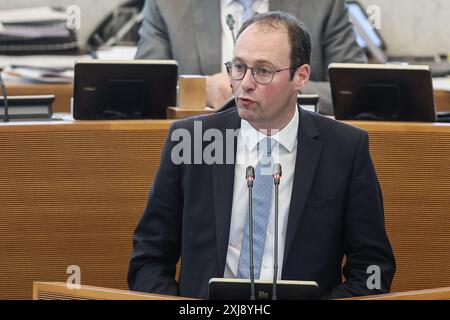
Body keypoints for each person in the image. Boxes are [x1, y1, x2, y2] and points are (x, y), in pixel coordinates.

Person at [128, 11, 395, 299]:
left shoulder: (345, 149)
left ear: (301, 76)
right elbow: (149, 260)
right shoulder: (194, 142)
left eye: (263, 71)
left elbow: (372, 268)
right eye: (238, 67)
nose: (245, 83)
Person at [135, 0, 367, 115]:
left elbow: (357, 93)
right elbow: (141, 92)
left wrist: (277, 89)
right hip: (200, 148)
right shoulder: (167, 4)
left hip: (295, 148)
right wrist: (199, 90)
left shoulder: (322, 4)